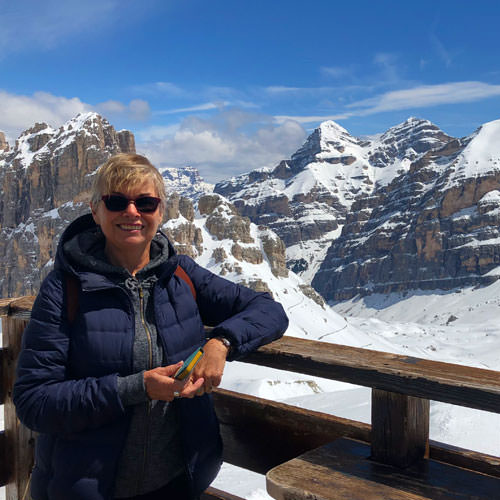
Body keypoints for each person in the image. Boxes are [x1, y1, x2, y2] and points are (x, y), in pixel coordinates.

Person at [13, 153, 289, 500]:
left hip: (177, 482)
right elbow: (34, 401)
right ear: (95, 211)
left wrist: (221, 343)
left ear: (161, 211)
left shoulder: (179, 273)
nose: (132, 213)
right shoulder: (64, 288)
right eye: (116, 201)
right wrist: (135, 388)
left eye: (145, 202)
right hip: (86, 488)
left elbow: (268, 310)